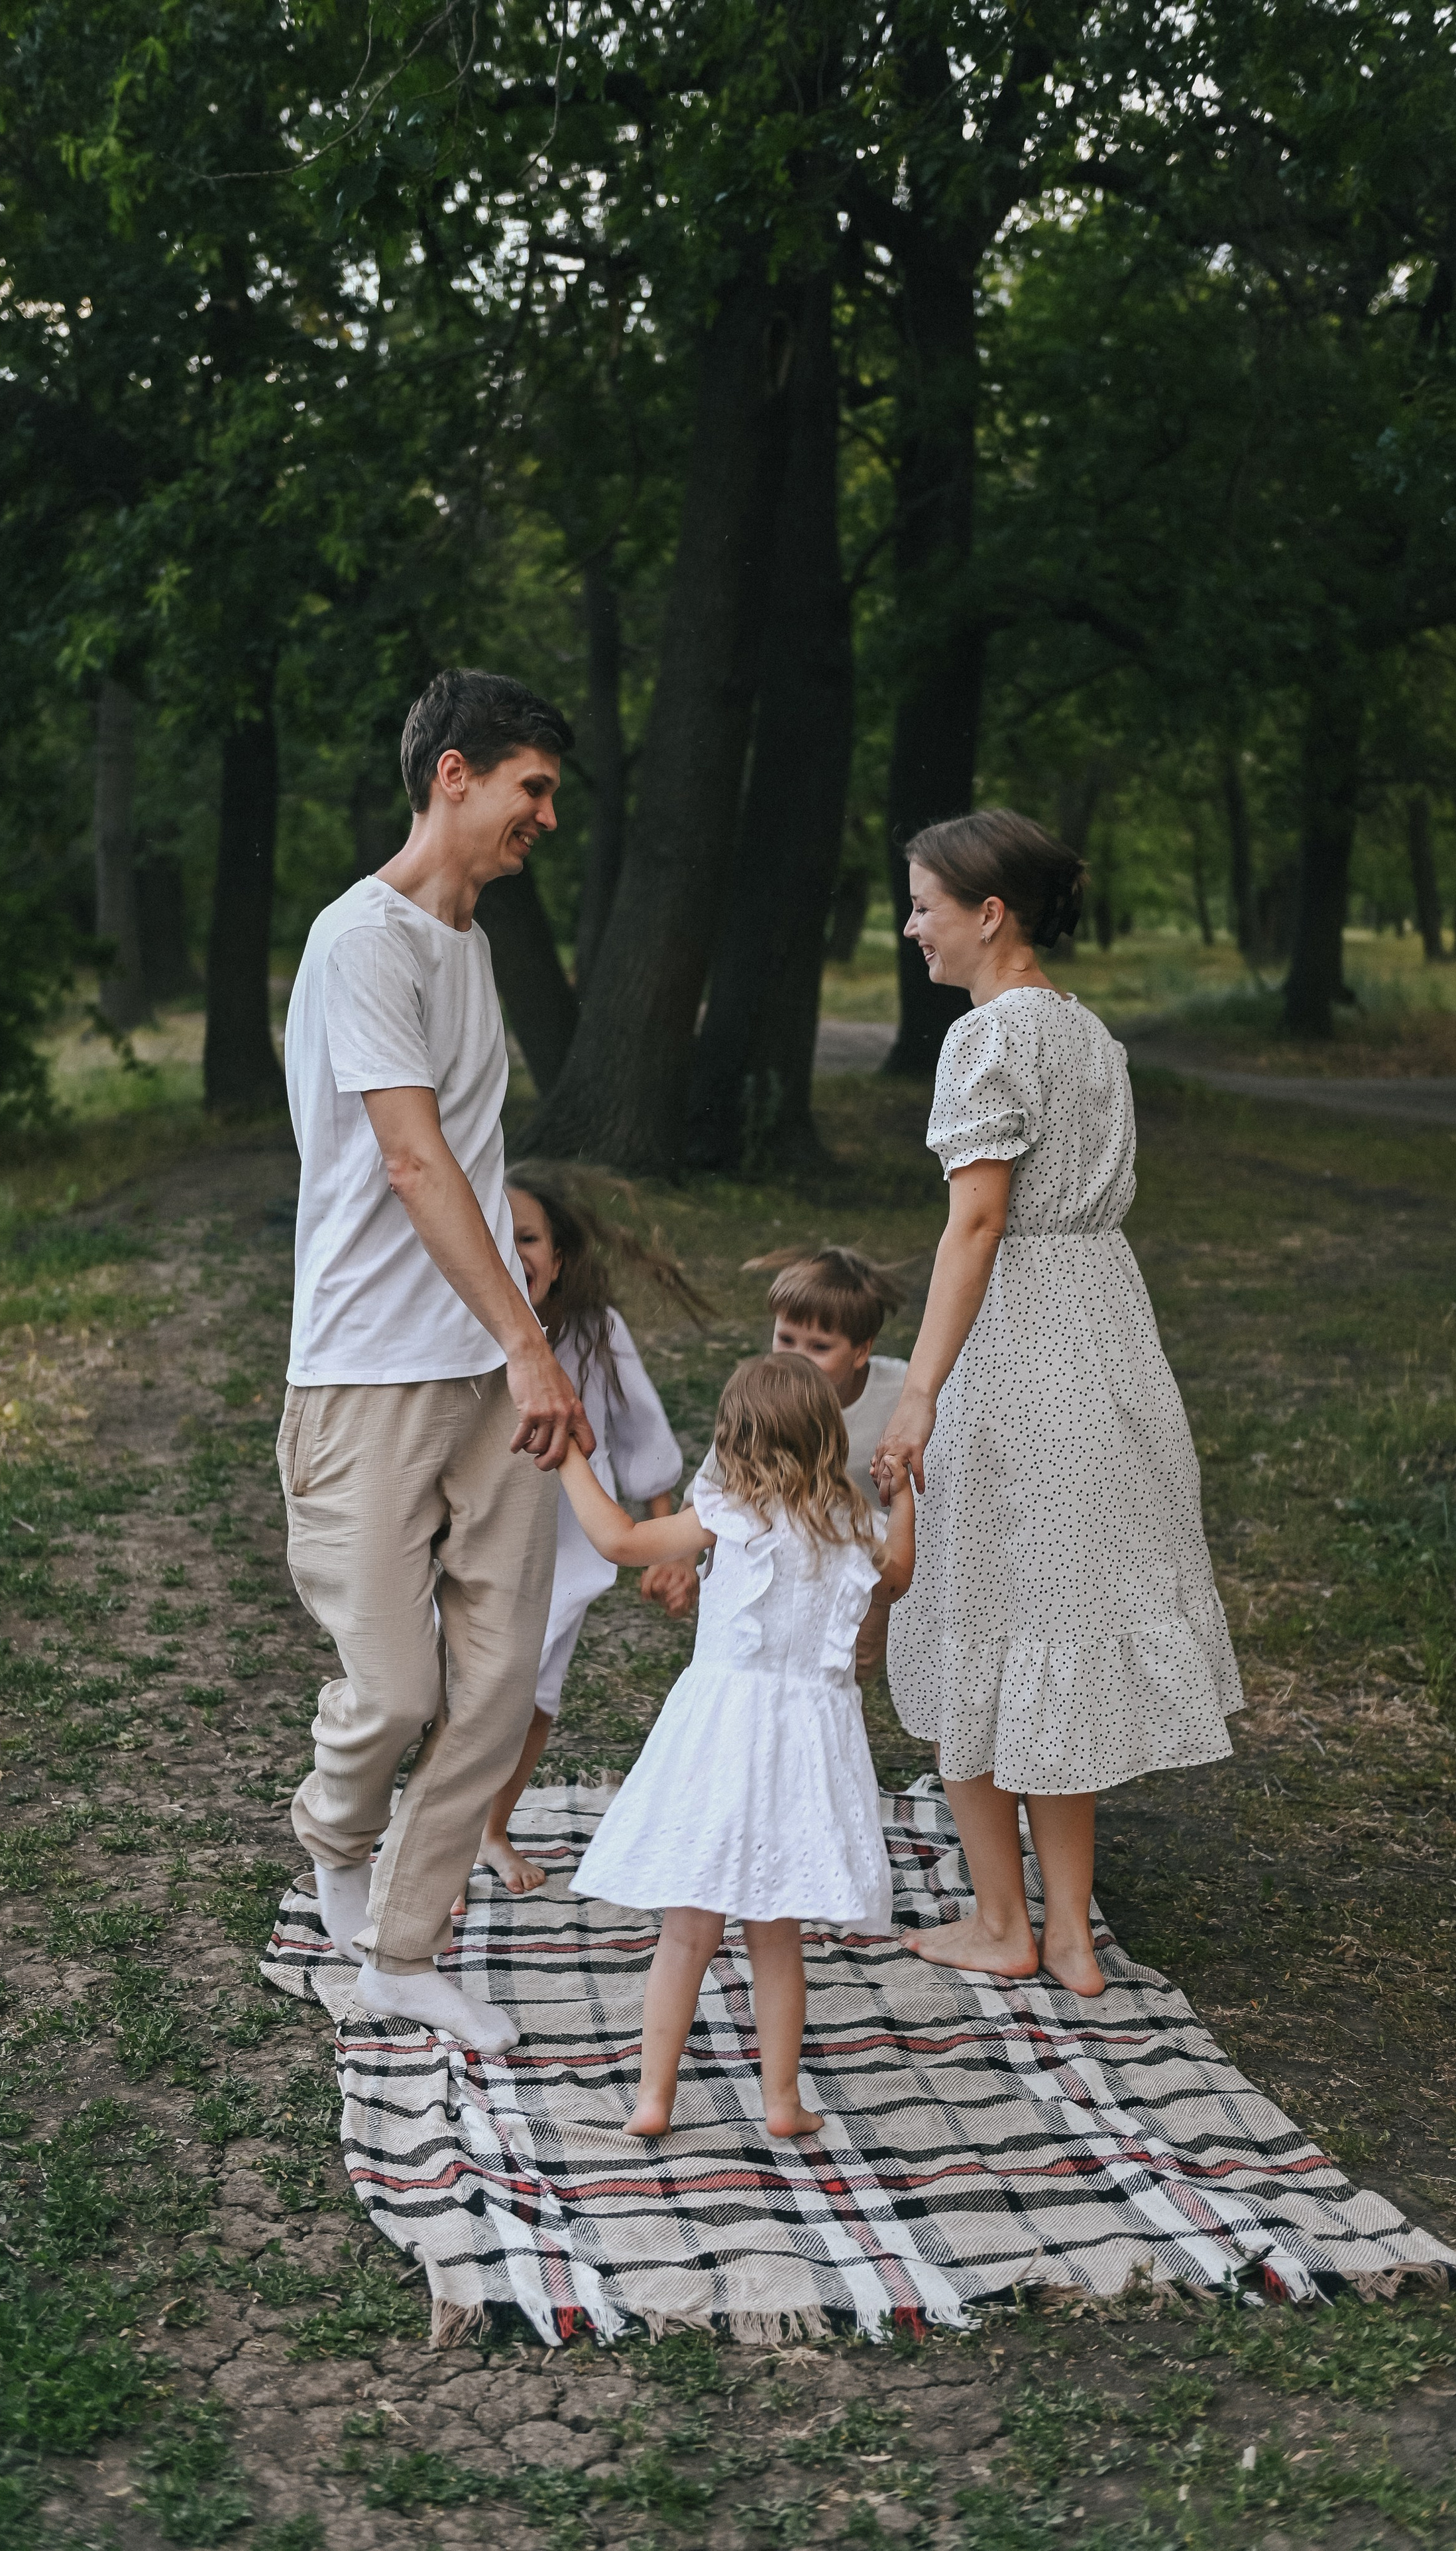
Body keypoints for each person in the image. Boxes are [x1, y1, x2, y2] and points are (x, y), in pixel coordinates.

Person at [871, 808, 1243, 2000]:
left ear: (991, 914)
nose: (910, 924)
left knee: (974, 1611)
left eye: (925, 903)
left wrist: (918, 1386)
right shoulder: (1091, 1035)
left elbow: (977, 1221)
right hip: (1105, 1333)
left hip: (1021, 1339)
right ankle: (1071, 1931)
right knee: (1054, 1621)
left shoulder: (986, 1042)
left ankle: (1001, 1918)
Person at [278, 668, 593, 2060]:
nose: (544, 818)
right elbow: (411, 1159)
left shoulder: (467, 945)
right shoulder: (367, 940)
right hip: (367, 1366)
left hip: (486, 1365)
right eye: (532, 789)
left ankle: (402, 1951)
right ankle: (332, 1846)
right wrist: (533, 1342)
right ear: (452, 773)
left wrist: (514, 1345)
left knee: (497, 1680)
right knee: (394, 1690)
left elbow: (468, 1154)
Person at [549, 1355, 917, 2138]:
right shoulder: (855, 1526)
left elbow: (620, 1539)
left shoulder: (726, 1511)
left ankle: (654, 2097)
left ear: (734, 1437)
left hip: (721, 1739)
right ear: (828, 1435)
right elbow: (901, 1576)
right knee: (777, 1937)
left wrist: (570, 1458)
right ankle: (781, 2101)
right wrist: (903, 1496)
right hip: (805, 1751)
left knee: (687, 1932)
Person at [457, 1162, 702, 1903]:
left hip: (562, 1545)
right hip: (470, 1537)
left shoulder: (595, 1332)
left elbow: (639, 1431)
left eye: (527, 1236)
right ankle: (438, 1841)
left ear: (558, 1257)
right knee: (462, 1696)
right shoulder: (457, 1327)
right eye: (495, 1236)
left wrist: (669, 1537)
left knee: (535, 1699)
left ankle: (491, 1828)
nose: (513, 1249)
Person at [640, 1246, 908, 1620]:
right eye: (786, 1339)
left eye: (819, 1347)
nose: (796, 1357)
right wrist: (681, 1559)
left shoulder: (900, 1392)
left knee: (860, 1639)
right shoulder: (766, 1399)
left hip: (869, 1554)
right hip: (786, 1556)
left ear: (861, 1351)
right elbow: (715, 1480)